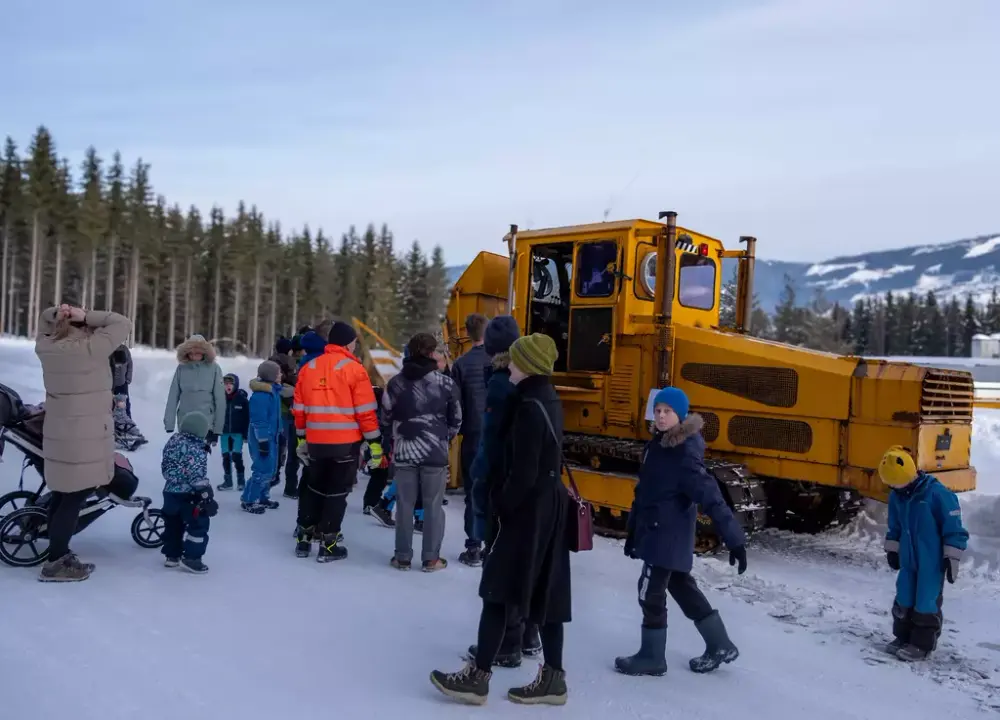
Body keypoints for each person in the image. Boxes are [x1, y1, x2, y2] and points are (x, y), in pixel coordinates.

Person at [431, 332, 571, 706]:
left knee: (496, 590)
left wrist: (501, 507)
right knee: (547, 592)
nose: (509, 364)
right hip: (550, 507)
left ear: (527, 363)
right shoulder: (548, 397)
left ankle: (477, 677)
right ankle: (553, 679)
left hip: (528, 510)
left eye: (514, 359)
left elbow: (522, 472)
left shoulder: (527, 405)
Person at [615, 386, 747, 677]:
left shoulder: (683, 453)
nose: (661, 417)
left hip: (665, 536)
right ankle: (719, 643)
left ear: (681, 415)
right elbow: (645, 494)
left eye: (668, 412)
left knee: (649, 592)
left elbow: (711, 496)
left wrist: (734, 539)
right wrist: (633, 532)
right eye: (658, 410)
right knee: (680, 586)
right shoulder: (658, 445)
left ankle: (651, 658)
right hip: (658, 533)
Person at [34, 303, 131, 582]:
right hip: (84, 436)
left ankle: (57, 552)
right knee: (74, 496)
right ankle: (56, 563)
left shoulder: (46, 346)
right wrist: (85, 315)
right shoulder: (90, 349)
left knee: (63, 493)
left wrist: (60, 313)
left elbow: (44, 321)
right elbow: (122, 323)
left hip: (59, 432)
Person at [464, 315, 542, 666]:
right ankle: (527, 634)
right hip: (530, 487)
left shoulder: (500, 383)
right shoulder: (534, 381)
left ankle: (506, 643)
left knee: (499, 566)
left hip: (502, 488)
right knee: (524, 561)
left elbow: (491, 444)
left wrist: (479, 481)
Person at [293, 321, 382, 562]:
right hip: (344, 443)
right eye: (353, 341)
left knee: (313, 489)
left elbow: (299, 409)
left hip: (315, 441)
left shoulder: (309, 368)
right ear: (348, 342)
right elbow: (365, 412)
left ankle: (303, 539)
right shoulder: (354, 369)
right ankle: (329, 544)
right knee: (336, 493)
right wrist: (375, 442)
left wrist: (301, 438)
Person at [880, 445, 969, 661]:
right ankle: (902, 637)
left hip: (932, 562)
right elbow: (895, 526)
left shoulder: (937, 495)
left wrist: (952, 557)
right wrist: (893, 549)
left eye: (898, 484)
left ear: (910, 475)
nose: (896, 488)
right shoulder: (897, 497)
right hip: (909, 560)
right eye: (892, 485)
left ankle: (921, 645)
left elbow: (954, 529)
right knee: (904, 596)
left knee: (926, 601)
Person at [382, 333, 462, 571]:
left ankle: (402, 557)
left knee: (405, 504)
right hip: (435, 452)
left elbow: (385, 416)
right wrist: (442, 437)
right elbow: (456, 419)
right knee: (433, 505)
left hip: (405, 450)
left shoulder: (394, 383)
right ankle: (431, 559)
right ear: (431, 353)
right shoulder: (446, 383)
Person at [449, 313, 490, 567]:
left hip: (473, 436)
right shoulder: (503, 362)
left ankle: (474, 547)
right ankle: (495, 546)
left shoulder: (461, 364)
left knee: (474, 493)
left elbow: (456, 404)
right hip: (499, 436)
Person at [161, 411, 218, 573]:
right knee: (198, 524)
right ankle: (192, 558)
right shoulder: (196, 448)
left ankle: (172, 556)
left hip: (170, 492)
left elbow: (168, 468)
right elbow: (195, 475)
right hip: (189, 495)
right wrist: (206, 494)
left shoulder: (173, 441)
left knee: (173, 524)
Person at [163, 334, 226, 446]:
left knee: (199, 459)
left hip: (206, 423)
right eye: (191, 353)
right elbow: (173, 396)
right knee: (185, 457)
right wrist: (169, 423)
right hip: (185, 421)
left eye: (198, 352)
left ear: (204, 352)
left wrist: (217, 429)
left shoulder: (214, 368)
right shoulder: (182, 368)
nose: (194, 356)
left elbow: (220, 399)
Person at [241, 361, 283, 514]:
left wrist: (281, 431)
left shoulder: (274, 392)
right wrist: (263, 441)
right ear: (271, 375)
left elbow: (275, 416)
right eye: (278, 372)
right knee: (262, 468)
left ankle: (263, 496)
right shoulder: (261, 396)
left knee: (270, 469)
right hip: (262, 439)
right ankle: (249, 499)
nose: (281, 375)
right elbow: (259, 421)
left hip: (272, 437)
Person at [270, 337, 302, 499]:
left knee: (276, 445)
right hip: (291, 409)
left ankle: (271, 476)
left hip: (275, 409)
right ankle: (290, 486)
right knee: (293, 449)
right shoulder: (292, 363)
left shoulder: (269, 363)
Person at [217, 373, 250, 492]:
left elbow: (247, 418)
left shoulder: (242, 400)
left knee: (236, 456)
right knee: (226, 457)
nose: (228, 386)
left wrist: (246, 434)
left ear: (236, 385)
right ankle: (228, 481)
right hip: (224, 433)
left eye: (230, 384)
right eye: (225, 384)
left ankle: (241, 481)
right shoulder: (220, 399)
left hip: (237, 434)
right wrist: (214, 435)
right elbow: (216, 417)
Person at [110, 343, 133, 417]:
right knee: (110, 405)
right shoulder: (108, 349)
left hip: (122, 384)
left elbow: (130, 365)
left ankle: (127, 422)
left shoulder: (124, 349)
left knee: (125, 405)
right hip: (109, 385)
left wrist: (128, 379)